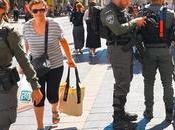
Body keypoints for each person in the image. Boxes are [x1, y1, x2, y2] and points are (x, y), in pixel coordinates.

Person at [23, 0, 76, 130]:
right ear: (31, 11)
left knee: (52, 94)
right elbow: (26, 45)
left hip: (55, 66)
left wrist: (70, 59)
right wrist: (24, 61)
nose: (39, 13)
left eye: (42, 10)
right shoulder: (26, 27)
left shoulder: (54, 24)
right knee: (38, 96)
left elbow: (63, 42)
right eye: (35, 11)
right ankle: (40, 126)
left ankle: (54, 109)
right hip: (36, 67)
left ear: (46, 10)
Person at [100, 0, 146, 129]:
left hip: (124, 49)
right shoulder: (108, 11)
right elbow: (118, 30)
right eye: (126, 0)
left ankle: (121, 113)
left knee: (126, 79)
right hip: (117, 50)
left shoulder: (119, 10)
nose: (128, 2)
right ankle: (118, 120)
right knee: (122, 82)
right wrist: (134, 22)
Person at [0, 0, 43, 130]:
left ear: (2, 11)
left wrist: (35, 86)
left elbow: (23, 61)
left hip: (3, 86)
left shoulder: (9, 32)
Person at [137, 0, 175, 123]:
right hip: (165, 51)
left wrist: (140, 52)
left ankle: (149, 111)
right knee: (167, 84)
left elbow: (136, 35)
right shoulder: (171, 13)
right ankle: (169, 113)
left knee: (148, 83)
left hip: (148, 51)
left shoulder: (142, 13)